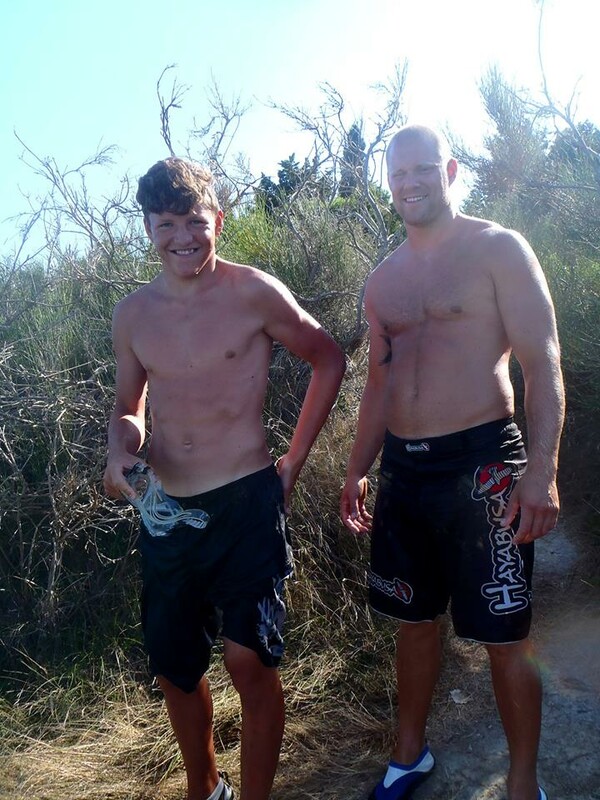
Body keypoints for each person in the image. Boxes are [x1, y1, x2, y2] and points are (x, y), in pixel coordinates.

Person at [103, 157, 346, 800]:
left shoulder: (253, 292)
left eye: (193, 220)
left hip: (245, 500)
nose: (182, 236)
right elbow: (129, 406)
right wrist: (119, 452)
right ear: (148, 227)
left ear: (218, 217)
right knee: (175, 671)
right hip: (168, 510)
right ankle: (206, 788)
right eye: (165, 224)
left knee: (249, 660)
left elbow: (328, 358)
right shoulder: (133, 315)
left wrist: (292, 461)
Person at [340, 125, 564, 800]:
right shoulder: (383, 281)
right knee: (413, 621)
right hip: (405, 470)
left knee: (505, 630)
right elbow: (378, 384)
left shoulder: (497, 249)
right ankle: (410, 755)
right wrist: (357, 468)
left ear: (451, 170)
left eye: (422, 169)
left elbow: (542, 363)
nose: (409, 183)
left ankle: (522, 782)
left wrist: (542, 470)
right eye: (397, 173)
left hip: (484, 462)